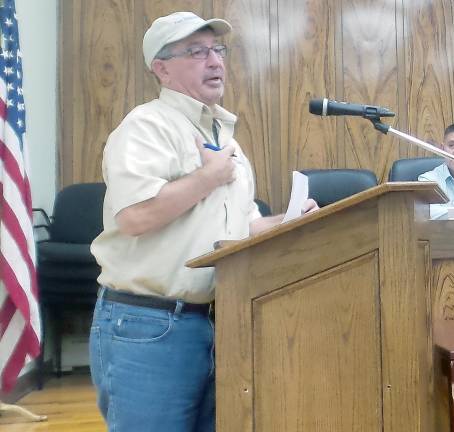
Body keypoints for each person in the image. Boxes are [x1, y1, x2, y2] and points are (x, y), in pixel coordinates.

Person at [88, 11, 318, 432]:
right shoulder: (145, 126)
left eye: (218, 50)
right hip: (149, 326)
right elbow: (135, 216)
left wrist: (290, 220)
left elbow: (242, 229)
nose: (215, 61)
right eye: (197, 52)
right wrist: (208, 177)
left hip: (219, 322)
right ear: (162, 68)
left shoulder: (225, 139)